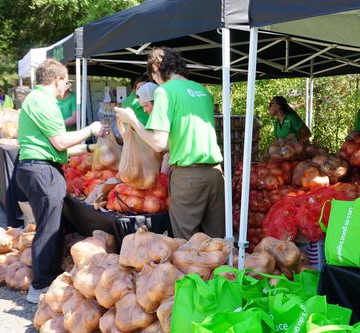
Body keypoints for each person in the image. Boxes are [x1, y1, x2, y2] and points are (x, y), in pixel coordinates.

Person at [15, 58, 103, 304]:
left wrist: (89, 146)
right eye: (67, 81)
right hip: (41, 170)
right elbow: (61, 142)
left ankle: (48, 279)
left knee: (51, 226)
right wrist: (91, 129)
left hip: (39, 167)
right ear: (57, 80)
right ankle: (40, 286)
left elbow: (55, 147)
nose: (67, 87)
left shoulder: (37, 100)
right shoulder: (44, 101)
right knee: (49, 229)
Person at [115, 47, 225, 239]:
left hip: (189, 176)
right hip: (216, 174)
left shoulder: (164, 92)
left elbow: (159, 143)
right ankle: (224, 270)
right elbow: (179, 138)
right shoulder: (202, 90)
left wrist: (133, 119)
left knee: (185, 245)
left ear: (156, 68)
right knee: (217, 242)